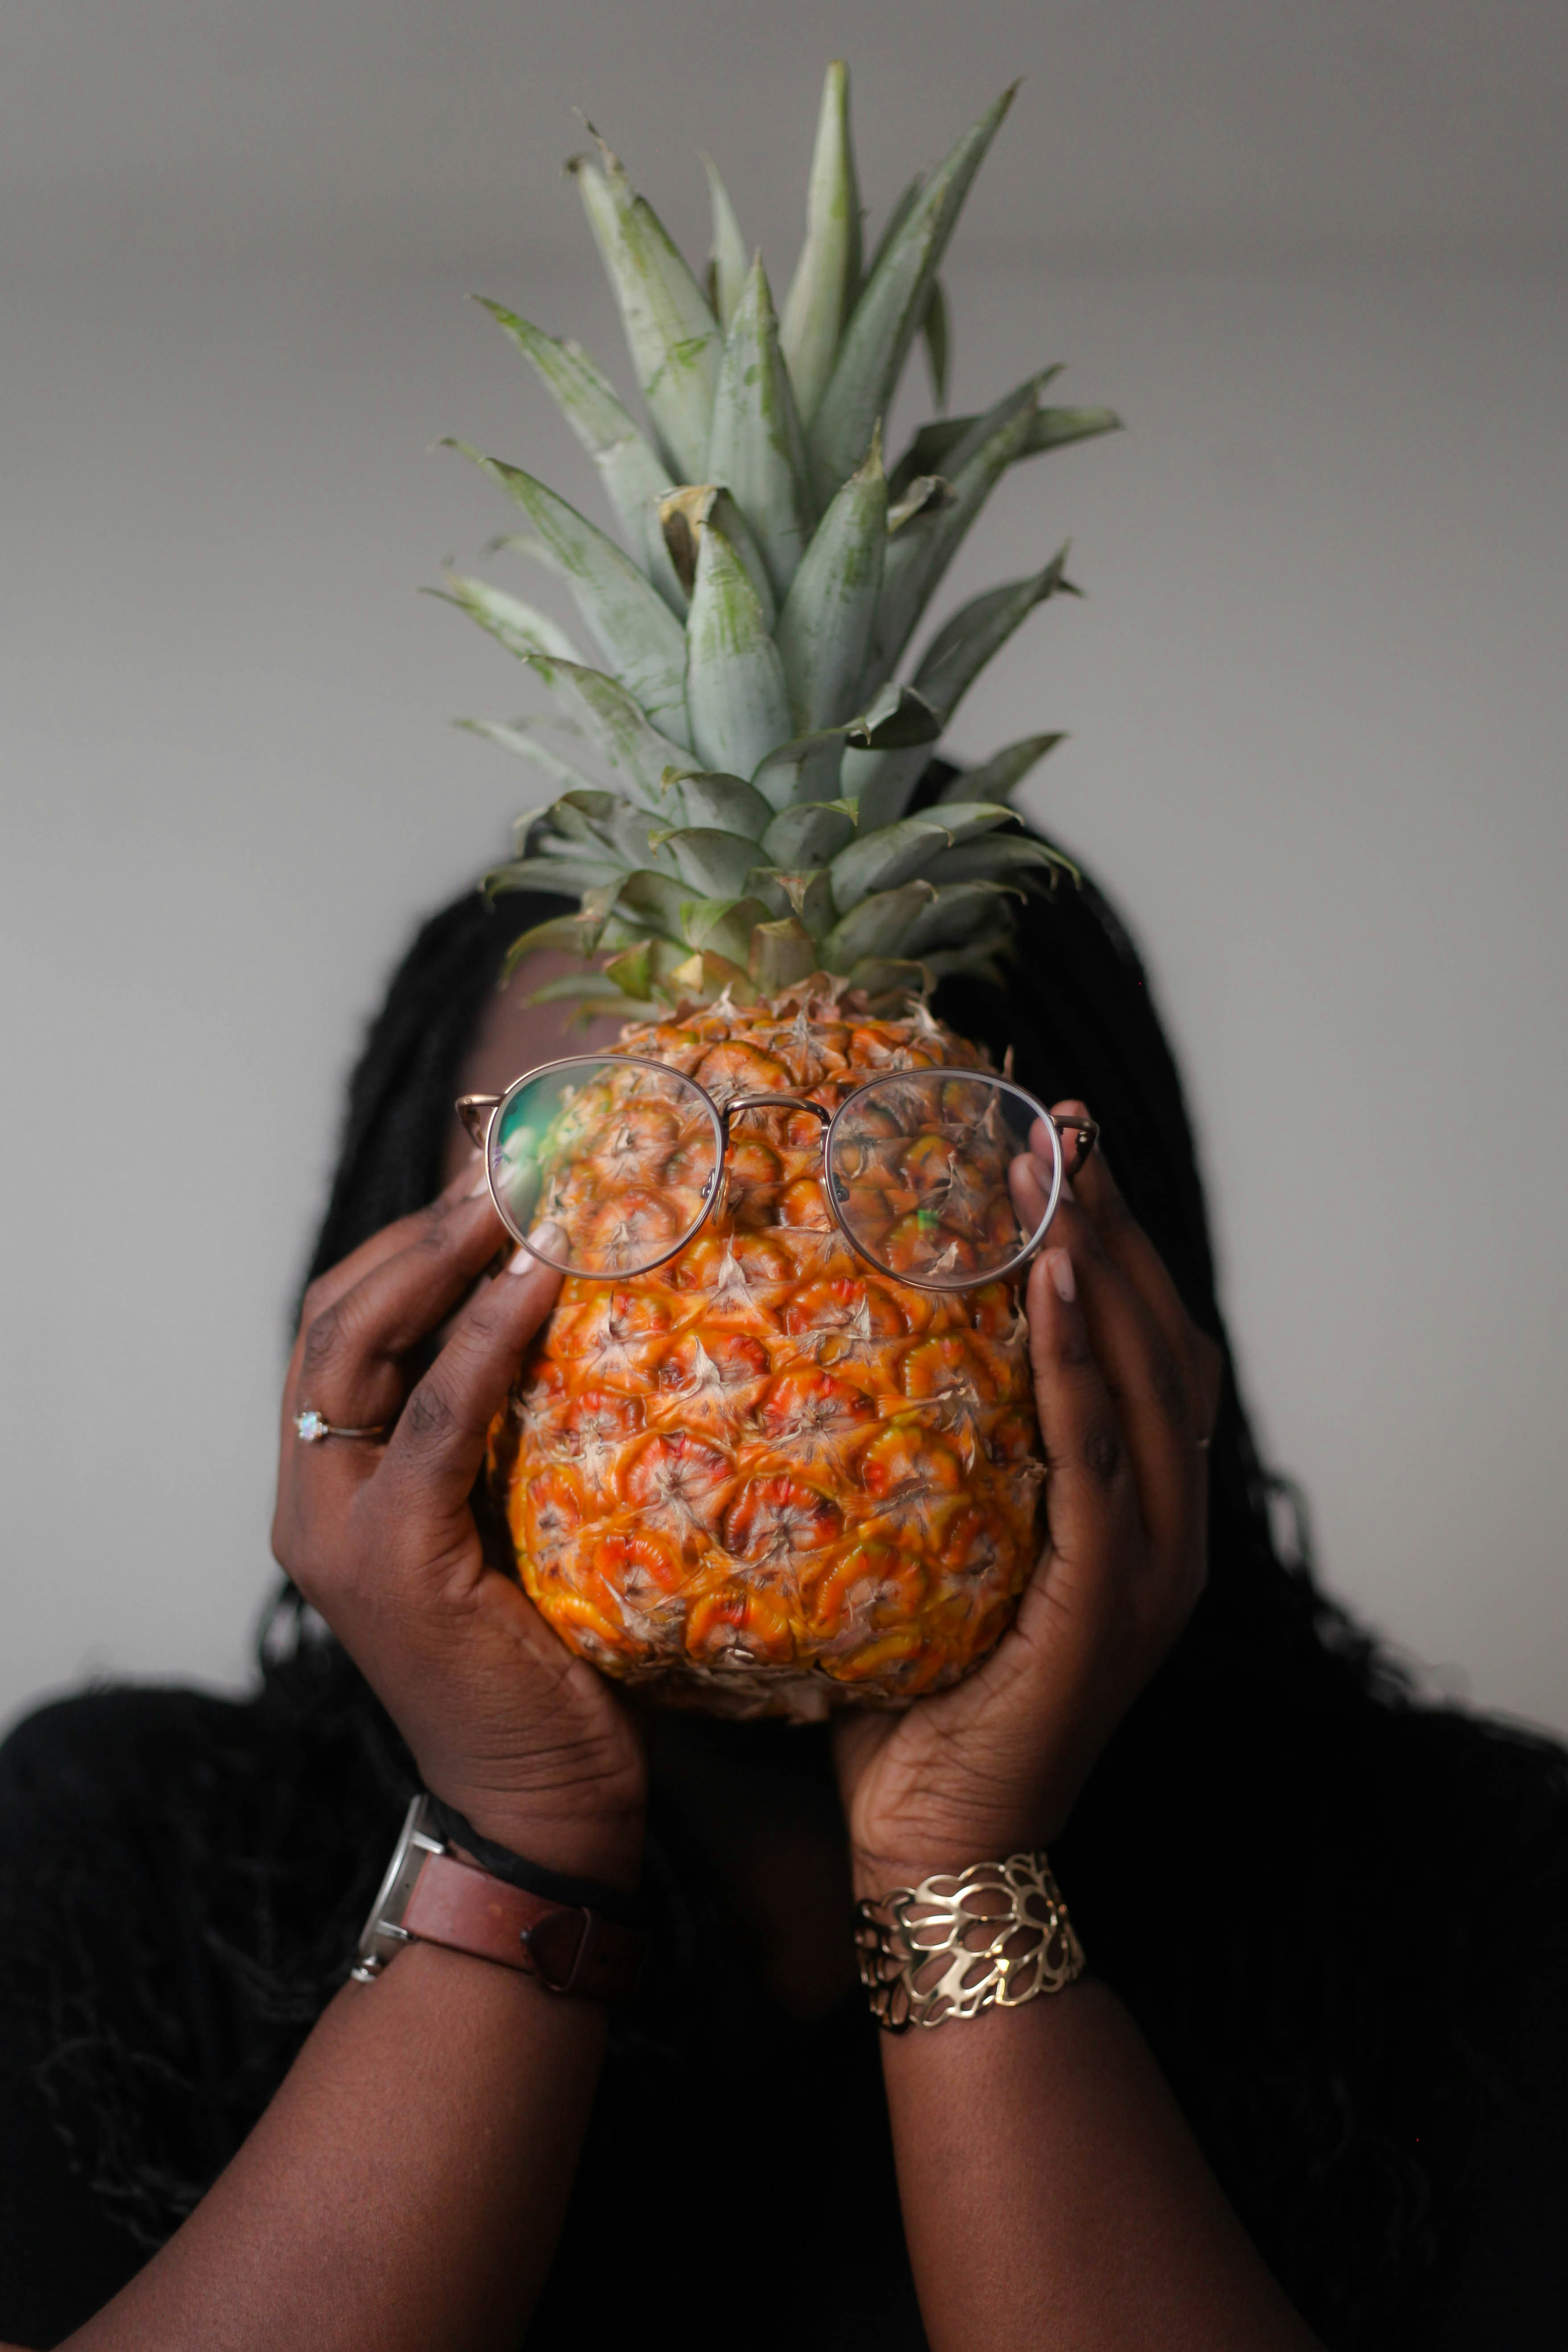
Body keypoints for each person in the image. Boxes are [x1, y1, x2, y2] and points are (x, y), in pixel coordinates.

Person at [1, 828, 1564, 2351]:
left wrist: (957, 1871)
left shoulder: (1491, 1886)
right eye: (605, 1159)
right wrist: (518, 1836)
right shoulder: (111, 1859)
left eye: (909, 1153)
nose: (747, 1285)